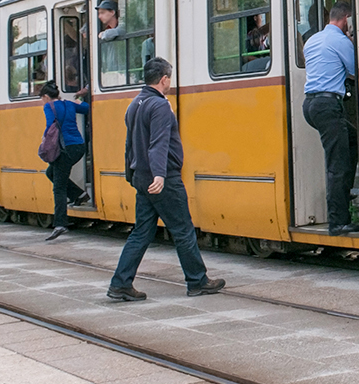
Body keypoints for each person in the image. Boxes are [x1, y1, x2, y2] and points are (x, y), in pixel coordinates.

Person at [108, 57, 224, 300]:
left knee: (141, 232)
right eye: (169, 78)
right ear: (164, 79)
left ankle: (120, 283)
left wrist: (132, 173)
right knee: (183, 230)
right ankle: (197, 281)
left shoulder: (135, 104)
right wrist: (160, 174)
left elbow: (130, 144)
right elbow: (158, 143)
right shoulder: (159, 105)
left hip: (141, 176)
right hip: (163, 179)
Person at [302, 1, 359, 235]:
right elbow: (357, 70)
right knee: (338, 164)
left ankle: (344, 203)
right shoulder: (340, 40)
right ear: (346, 19)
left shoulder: (313, 40)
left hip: (311, 104)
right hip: (328, 105)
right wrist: (354, 44)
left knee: (352, 141)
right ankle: (338, 221)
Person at [40, 82, 91, 240]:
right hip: (79, 147)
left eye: (42, 98)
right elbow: (86, 108)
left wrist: (44, 139)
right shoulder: (68, 104)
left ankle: (60, 223)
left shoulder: (49, 107)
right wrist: (80, 98)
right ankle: (80, 195)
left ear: (47, 97)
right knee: (51, 172)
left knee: (59, 187)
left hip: (64, 149)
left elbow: (50, 126)